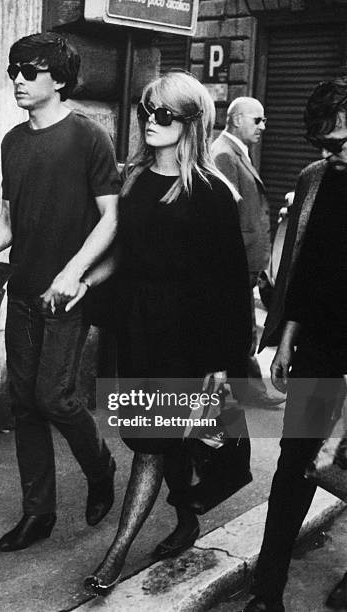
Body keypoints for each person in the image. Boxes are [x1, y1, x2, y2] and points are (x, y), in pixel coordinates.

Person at [67, 70, 251, 596]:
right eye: (147, 111)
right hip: (140, 329)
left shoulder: (213, 191)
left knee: (151, 443)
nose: (150, 121)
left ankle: (115, 556)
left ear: (191, 122)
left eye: (163, 114)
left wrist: (224, 362)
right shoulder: (137, 179)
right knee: (163, 435)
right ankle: (187, 519)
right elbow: (125, 255)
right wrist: (86, 282)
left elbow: (231, 285)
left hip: (189, 338)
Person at [0, 32, 120, 552]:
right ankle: (39, 514)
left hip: (66, 295)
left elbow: (111, 217)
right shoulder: (13, 141)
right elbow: (11, 220)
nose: (17, 80)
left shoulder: (88, 137)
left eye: (29, 72)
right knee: (24, 404)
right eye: (13, 70)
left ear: (58, 80)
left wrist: (74, 272)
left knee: (54, 398)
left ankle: (100, 468)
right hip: (25, 290)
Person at [242, 78, 347, 612]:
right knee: (294, 465)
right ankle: (267, 591)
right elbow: (304, 273)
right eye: (326, 146)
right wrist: (286, 340)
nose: (335, 154)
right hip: (322, 347)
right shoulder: (316, 180)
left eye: (342, 142)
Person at [212, 97, 283, 408]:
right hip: (235, 261)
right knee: (238, 325)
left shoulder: (236, 152)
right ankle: (247, 388)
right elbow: (224, 217)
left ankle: (243, 386)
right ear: (237, 119)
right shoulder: (224, 155)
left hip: (243, 261)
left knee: (240, 324)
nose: (263, 127)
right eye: (258, 120)